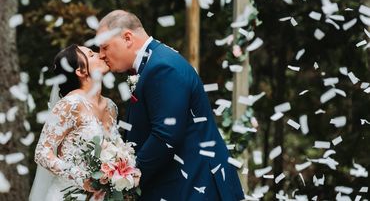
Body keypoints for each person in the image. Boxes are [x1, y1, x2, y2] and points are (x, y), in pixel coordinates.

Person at [97, 10, 245, 200]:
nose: (101, 55)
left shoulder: (162, 67)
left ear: (127, 38)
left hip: (195, 183)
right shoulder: (154, 62)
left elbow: (165, 135)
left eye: (105, 47)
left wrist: (128, 175)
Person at [31, 44, 124, 201]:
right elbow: (42, 153)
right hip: (69, 195)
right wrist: (82, 178)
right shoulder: (70, 104)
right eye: (91, 54)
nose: (100, 55)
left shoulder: (111, 107)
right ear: (81, 71)